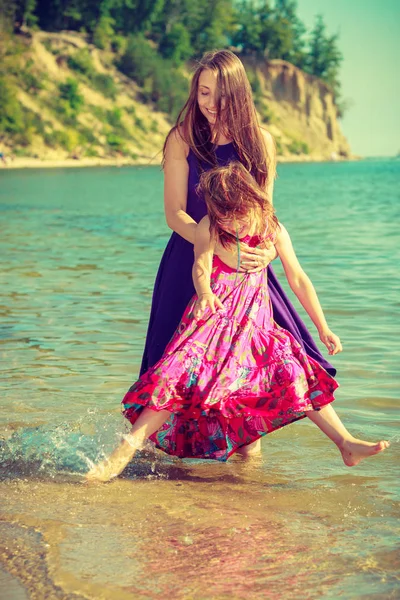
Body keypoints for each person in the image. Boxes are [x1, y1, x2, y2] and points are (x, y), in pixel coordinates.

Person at [86, 162, 389, 482]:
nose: (232, 221)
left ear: (254, 201)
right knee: (176, 379)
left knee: (293, 373)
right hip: (211, 324)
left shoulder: (273, 229)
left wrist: (323, 326)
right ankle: (121, 455)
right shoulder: (210, 227)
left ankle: (344, 443)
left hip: (254, 325)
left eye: (237, 213)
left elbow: (298, 278)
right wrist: (203, 292)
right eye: (224, 214)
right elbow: (200, 265)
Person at [139, 48, 336, 458]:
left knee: (249, 388)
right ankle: (160, 480)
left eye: (218, 94)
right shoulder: (182, 139)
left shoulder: (261, 142)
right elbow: (174, 213)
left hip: (248, 274)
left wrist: (264, 254)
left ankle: (244, 499)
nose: (209, 104)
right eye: (202, 93)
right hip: (191, 259)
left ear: (239, 94)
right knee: (169, 379)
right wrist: (216, 249)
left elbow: (264, 212)